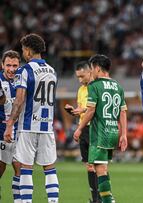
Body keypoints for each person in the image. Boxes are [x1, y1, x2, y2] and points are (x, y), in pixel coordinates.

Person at [4, 33, 59, 203]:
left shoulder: (25, 70)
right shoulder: (52, 70)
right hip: (47, 126)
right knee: (50, 169)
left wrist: (10, 124)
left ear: (28, 50)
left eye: (23, 50)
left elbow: (19, 100)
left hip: (28, 126)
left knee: (26, 168)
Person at [73, 54, 127, 203]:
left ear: (97, 68)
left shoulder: (94, 86)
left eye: (91, 69)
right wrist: (124, 135)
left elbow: (90, 111)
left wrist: (79, 128)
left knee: (100, 170)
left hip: (99, 133)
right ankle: (107, 200)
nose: (91, 72)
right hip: (112, 132)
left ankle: (108, 201)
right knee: (102, 168)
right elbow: (123, 112)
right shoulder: (118, 86)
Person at [64, 61, 100, 203]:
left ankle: (103, 196)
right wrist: (74, 111)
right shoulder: (81, 90)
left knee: (98, 164)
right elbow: (81, 109)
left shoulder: (96, 87)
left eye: (82, 76)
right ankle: (95, 198)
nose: (80, 80)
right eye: (78, 77)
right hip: (83, 128)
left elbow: (96, 108)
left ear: (89, 72)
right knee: (89, 165)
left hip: (95, 128)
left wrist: (84, 110)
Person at [0, 50, 21, 203]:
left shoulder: (23, 80)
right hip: (1, 132)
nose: (11, 69)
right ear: (2, 65)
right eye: (8, 65)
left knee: (21, 171)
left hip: (20, 133)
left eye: (15, 65)